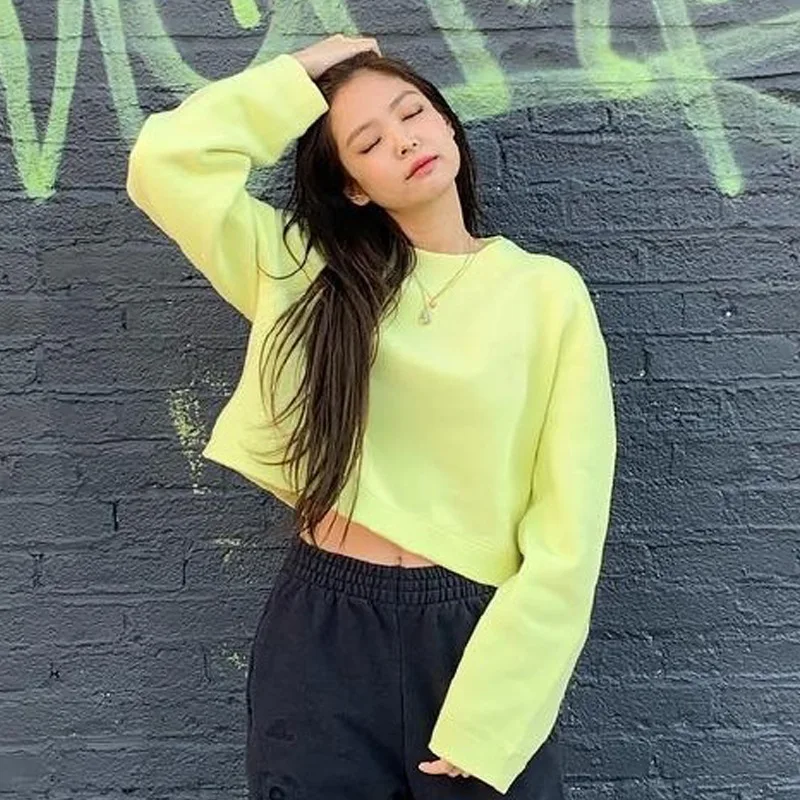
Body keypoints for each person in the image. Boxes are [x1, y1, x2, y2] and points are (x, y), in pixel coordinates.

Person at [126, 33, 617, 799]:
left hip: (472, 633)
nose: (404, 140)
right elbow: (165, 164)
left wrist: (499, 706)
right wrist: (302, 73)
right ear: (353, 187)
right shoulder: (304, 273)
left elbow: (570, 527)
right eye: (369, 142)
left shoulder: (546, 294)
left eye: (412, 113)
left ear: (447, 122)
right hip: (324, 628)